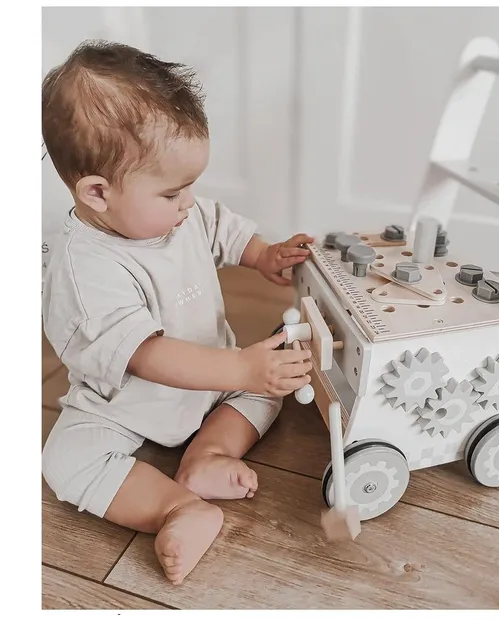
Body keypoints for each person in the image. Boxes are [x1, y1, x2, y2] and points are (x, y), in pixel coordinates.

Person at [41, 40, 314, 586]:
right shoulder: (83, 268)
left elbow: (220, 227)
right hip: (127, 405)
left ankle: (207, 456)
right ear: (97, 193)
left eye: (191, 187)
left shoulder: (177, 214)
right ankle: (175, 507)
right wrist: (241, 368)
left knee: (267, 389)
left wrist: (263, 255)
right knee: (65, 460)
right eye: (172, 193)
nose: (188, 203)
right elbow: (146, 355)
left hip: (214, 378)